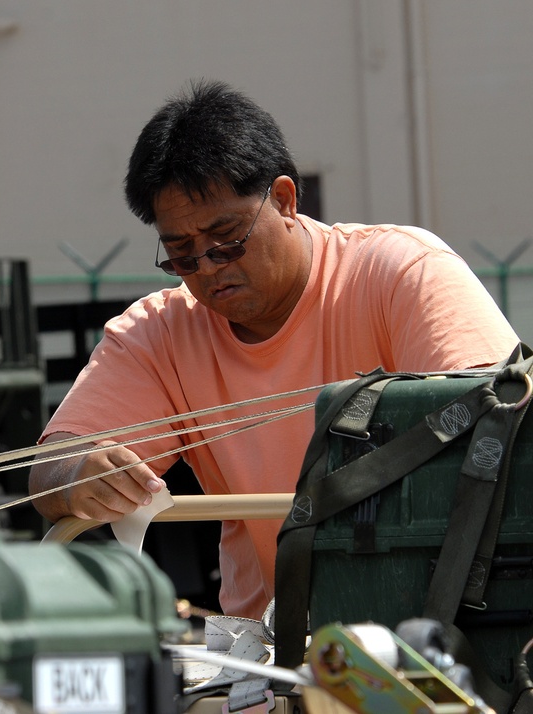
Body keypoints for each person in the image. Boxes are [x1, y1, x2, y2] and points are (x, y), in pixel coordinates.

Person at [29, 79, 520, 620]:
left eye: (227, 239)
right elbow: (53, 467)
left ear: (284, 200)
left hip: (442, 626)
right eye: (182, 255)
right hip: (273, 649)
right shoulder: (160, 333)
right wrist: (81, 477)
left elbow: (503, 435)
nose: (210, 267)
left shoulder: (402, 274)